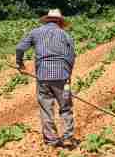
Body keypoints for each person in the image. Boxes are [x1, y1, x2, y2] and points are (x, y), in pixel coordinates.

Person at [16, 9, 77, 148]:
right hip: (63, 77)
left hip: (42, 76)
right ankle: (67, 137)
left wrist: (20, 63)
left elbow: (19, 48)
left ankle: (51, 140)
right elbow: (71, 56)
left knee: (46, 108)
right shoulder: (65, 35)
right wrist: (68, 75)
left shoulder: (35, 32)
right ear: (60, 22)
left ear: (46, 20)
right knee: (66, 107)